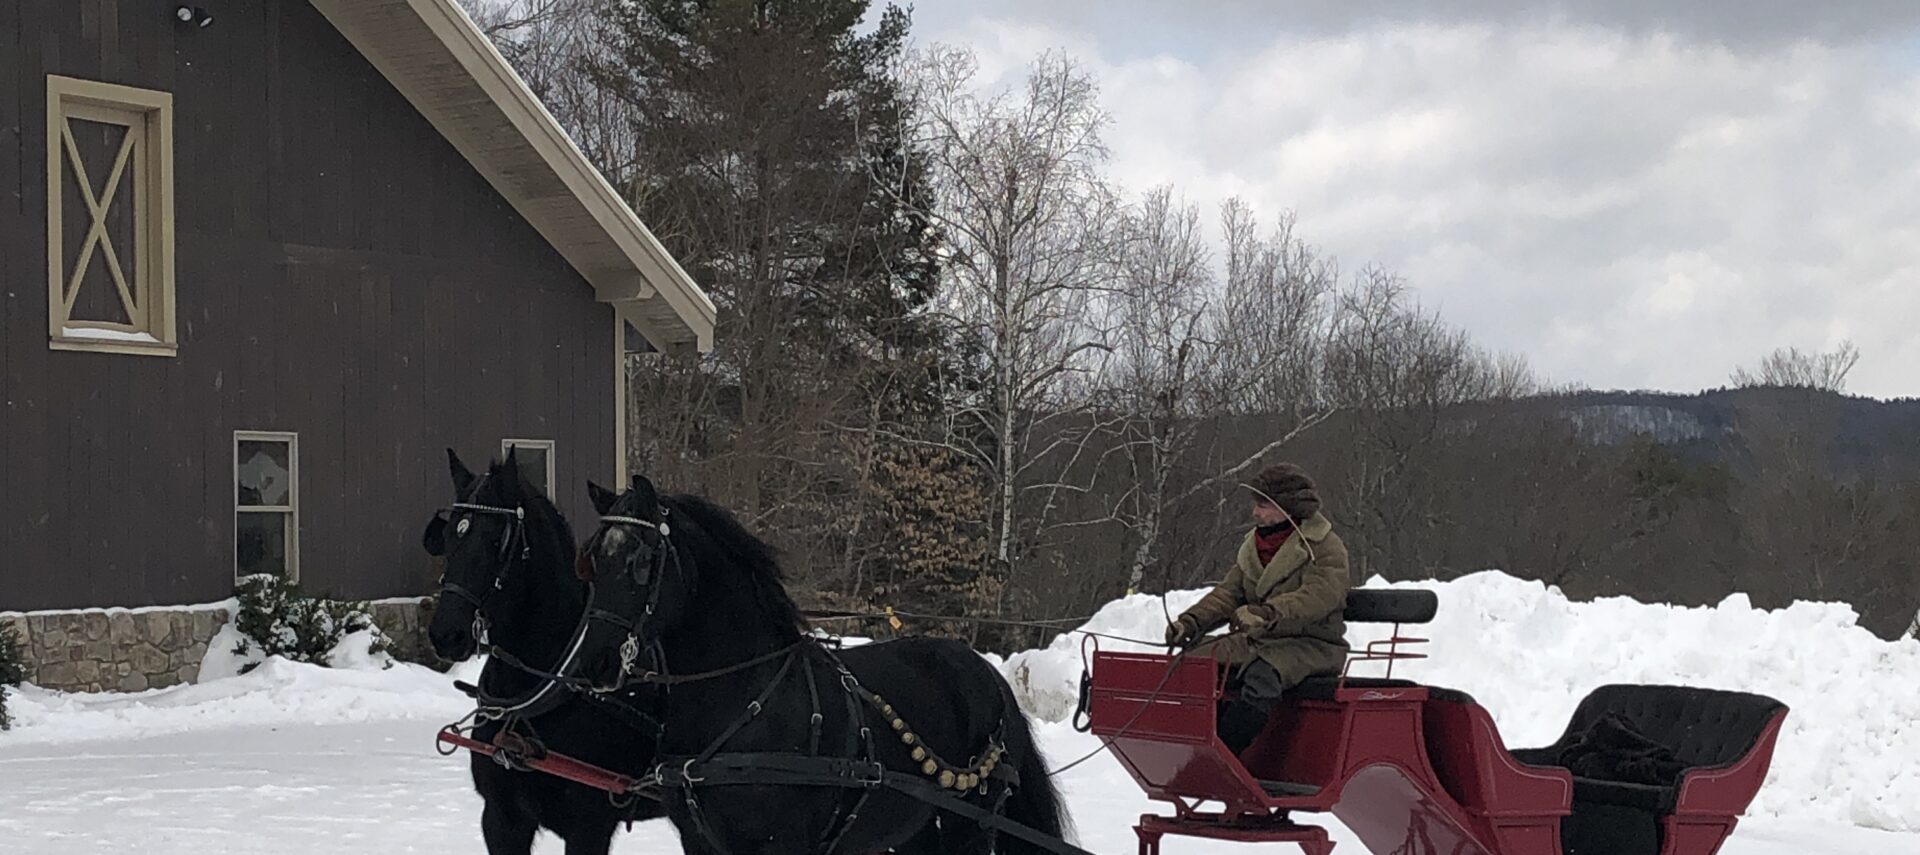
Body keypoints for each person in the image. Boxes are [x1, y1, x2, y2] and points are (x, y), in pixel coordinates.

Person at [1164, 462, 1351, 755]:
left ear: (1288, 507)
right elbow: (1230, 592)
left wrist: (1268, 613)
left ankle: (1226, 751)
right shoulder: (1253, 546)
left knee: (1263, 675)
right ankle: (1190, 741)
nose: (1255, 512)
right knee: (1193, 662)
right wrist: (1191, 622)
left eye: (1263, 505)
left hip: (1311, 644)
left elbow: (1320, 596)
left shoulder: (1324, 547)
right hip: (1260, 640)